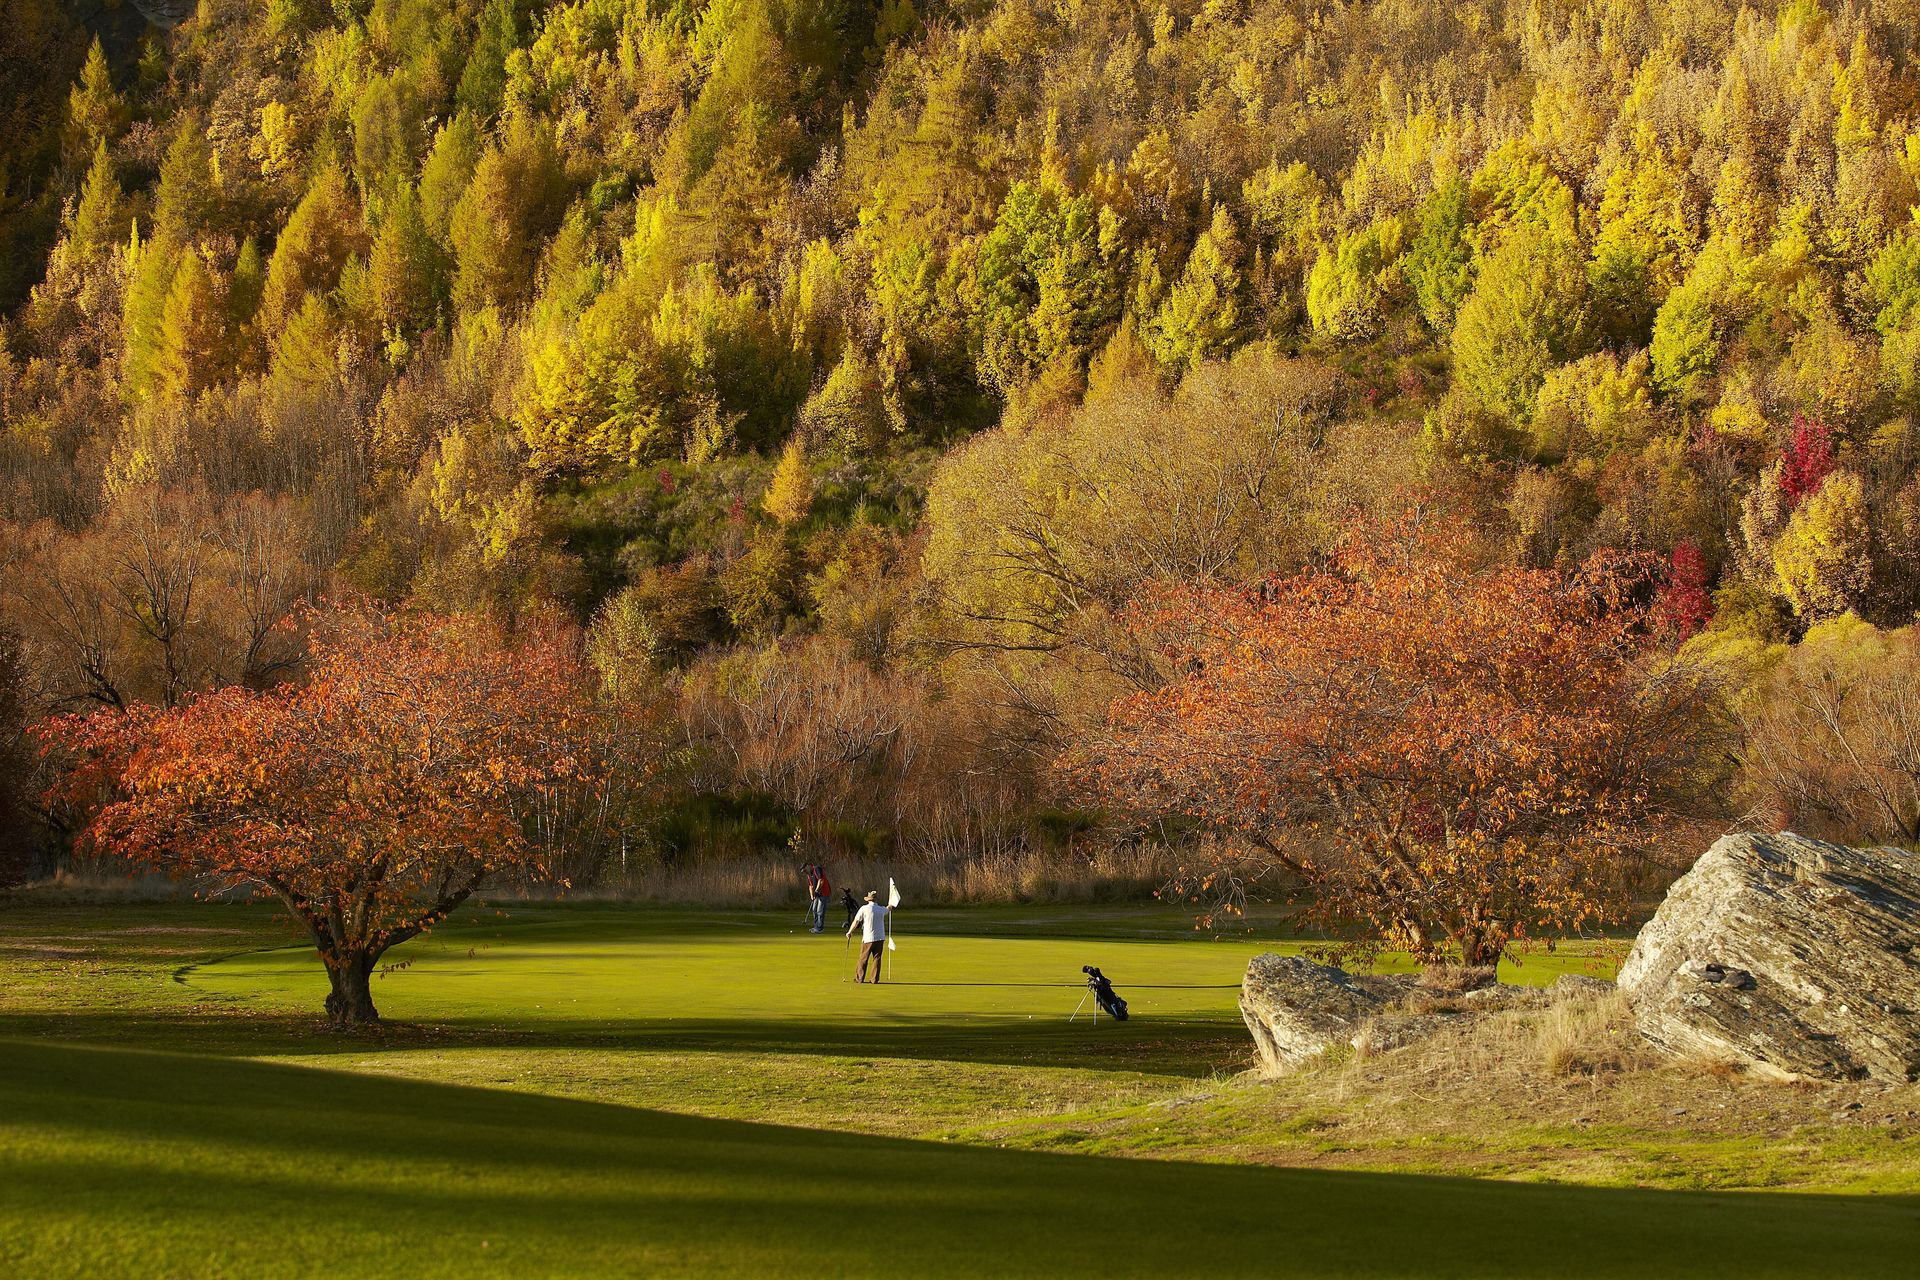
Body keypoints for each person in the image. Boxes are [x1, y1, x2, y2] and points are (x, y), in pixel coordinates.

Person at [846, 890, 890, 983]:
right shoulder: (881, 909)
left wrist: (850, 931)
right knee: (877, 958)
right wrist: (891, 903)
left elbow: (856, 921)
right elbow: (888, 908)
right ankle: (874, 979)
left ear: (868, 899)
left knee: (863, 958)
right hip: (880, 938)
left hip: (868, 938)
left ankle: (859, 978)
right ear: (876, 900)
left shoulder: (864, 908)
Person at [802, 863, 829, 934]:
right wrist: (812, 895)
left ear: (808, 866)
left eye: (805, 870)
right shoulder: (808, 874)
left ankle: (820, 928)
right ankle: (816, 927)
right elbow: (810, 886)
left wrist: (816, 891)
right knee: (814, 909)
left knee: (820, 910)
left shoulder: (816, 869)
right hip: (817, 894)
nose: (805, 872)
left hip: (824, 892)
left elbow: (821, 880)